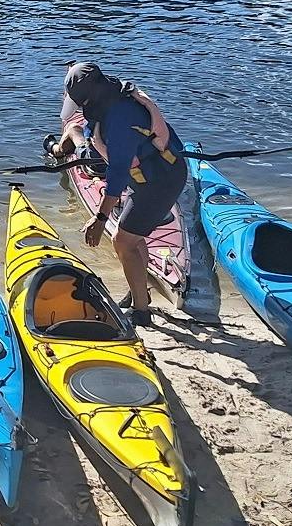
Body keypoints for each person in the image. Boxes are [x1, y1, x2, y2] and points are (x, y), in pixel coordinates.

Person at [47, 61, 187, 328]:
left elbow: (117, 176)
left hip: (160, 181)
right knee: (132, 236)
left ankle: (142, 314)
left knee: (122, 240)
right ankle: (140, 293)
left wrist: (99, 219)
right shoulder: (110, 95)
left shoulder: (121, 121)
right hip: (147, 175)